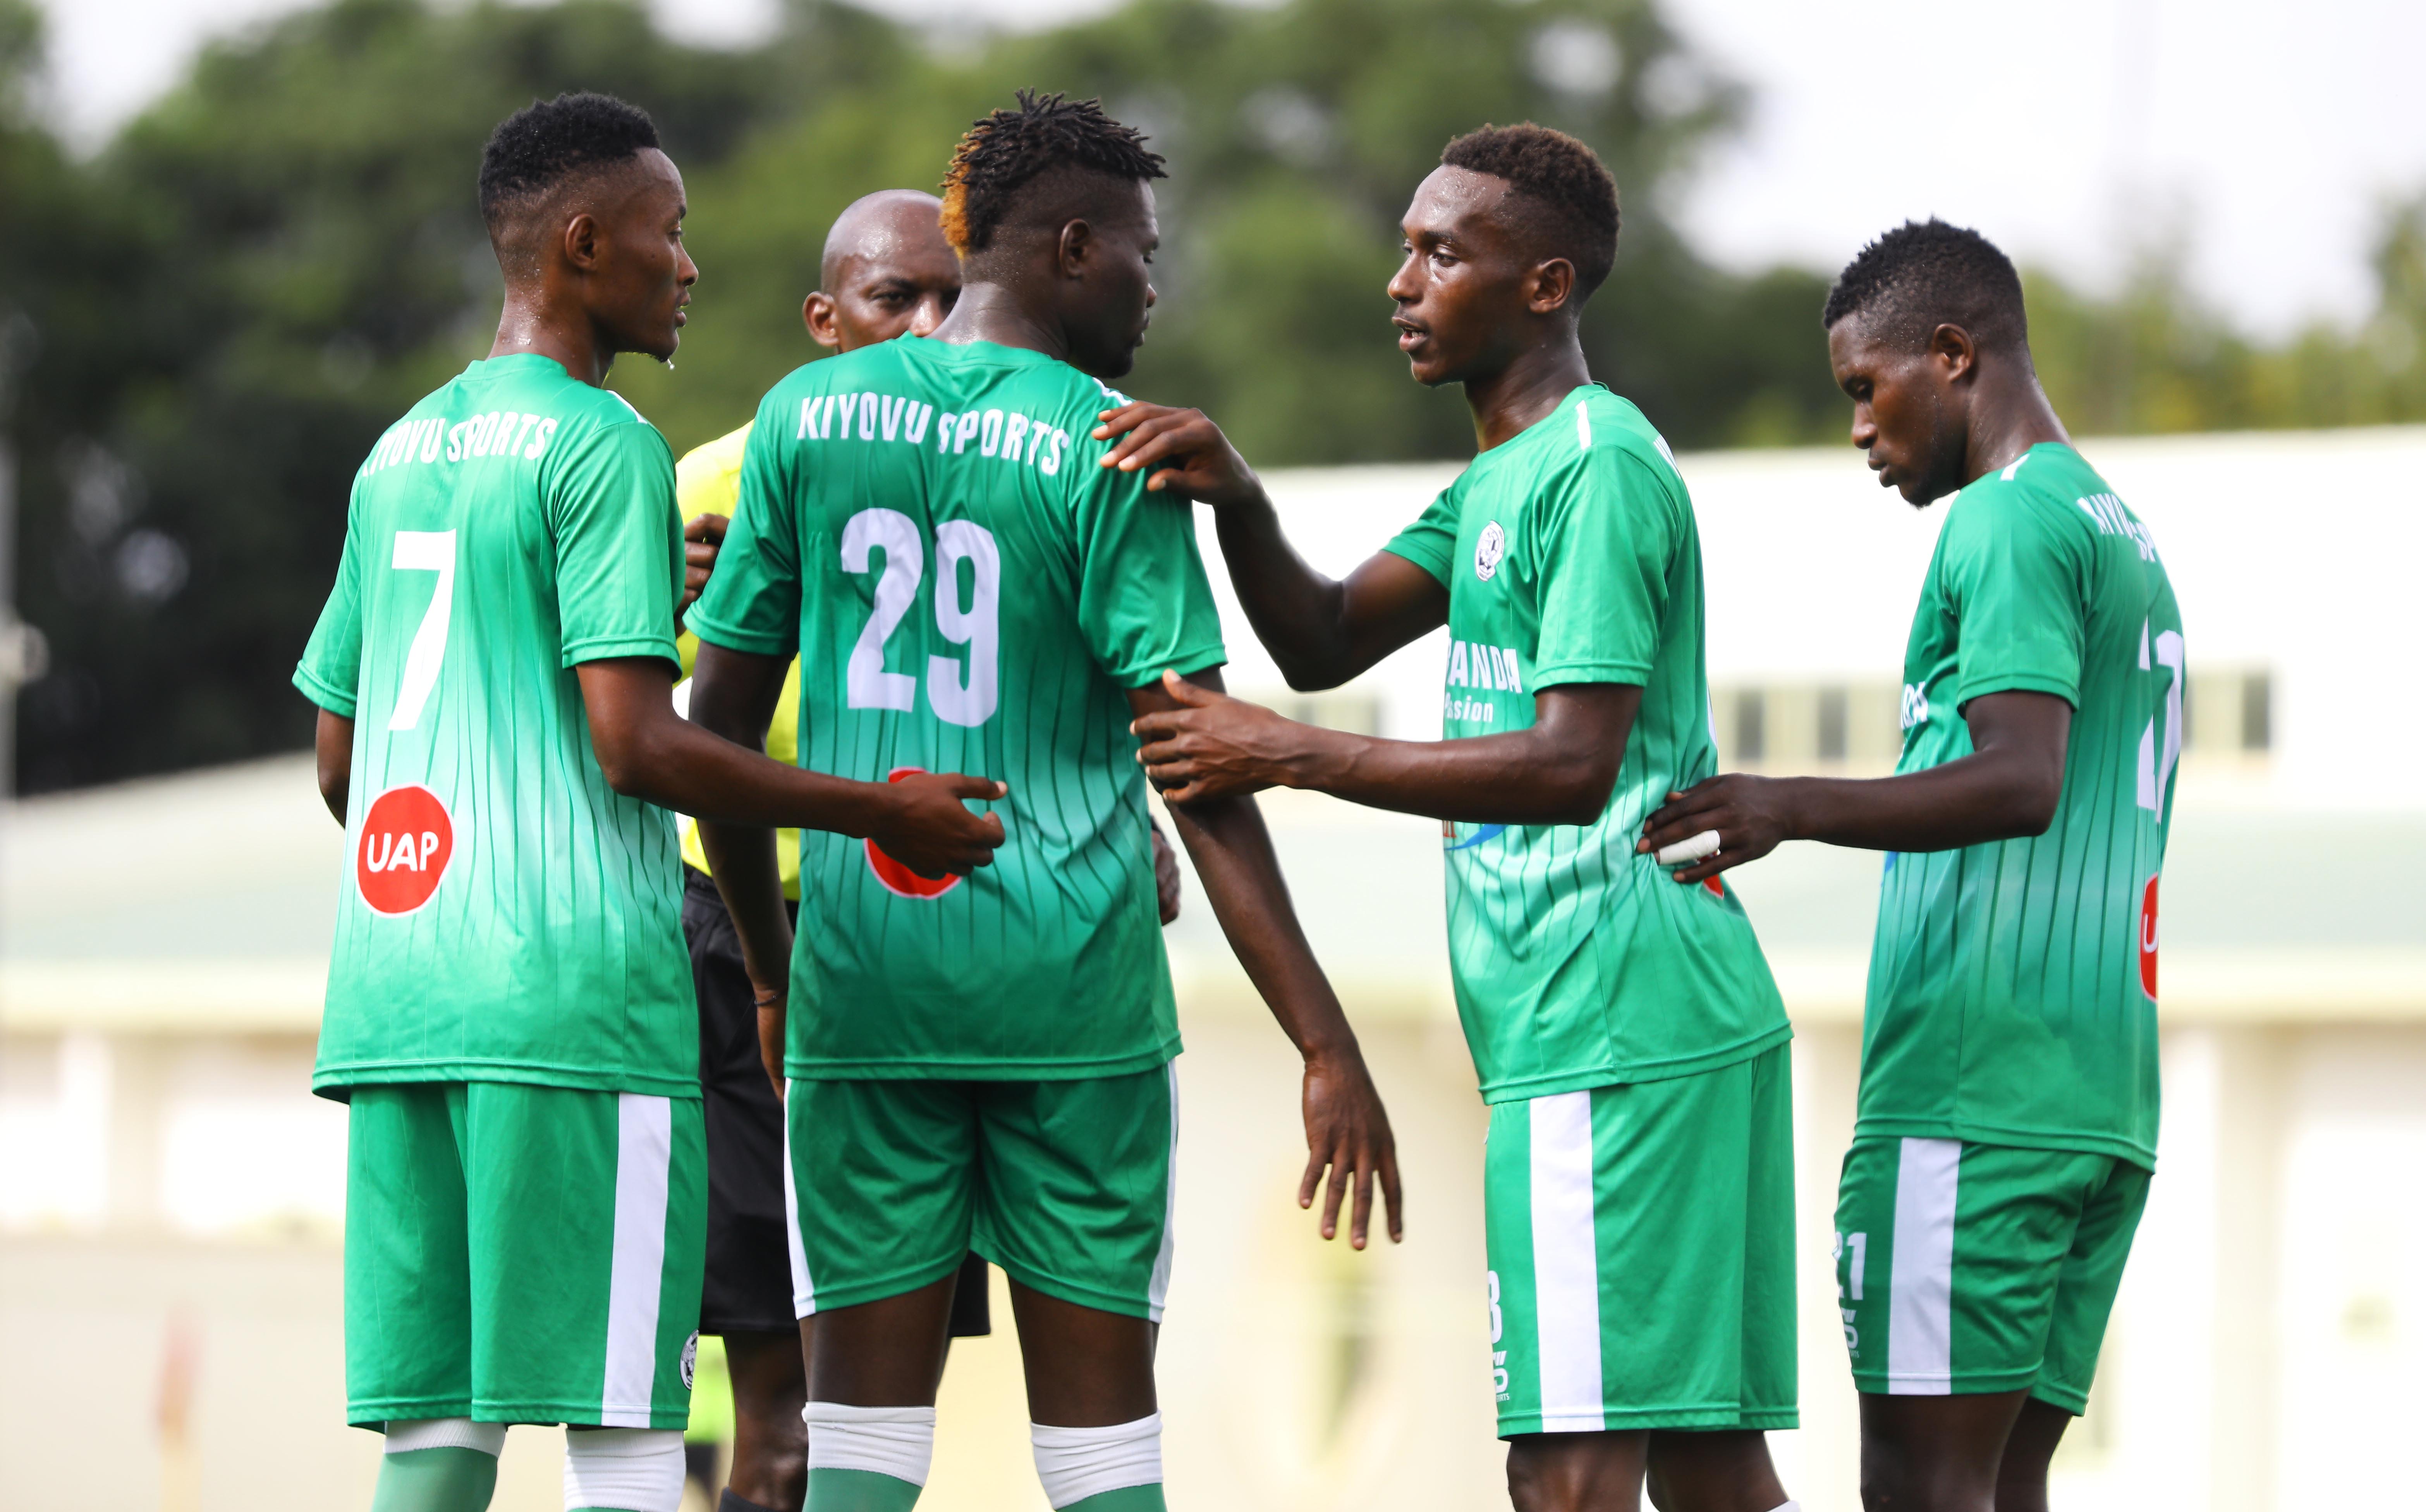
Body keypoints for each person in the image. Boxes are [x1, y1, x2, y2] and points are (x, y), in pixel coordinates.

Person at [685, 91, 1402, 1512]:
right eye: (1142, 253)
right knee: (1100, 1454)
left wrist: (773, 975)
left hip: (868, 993)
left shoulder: (802, 419)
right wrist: (1324, 1043)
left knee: (860, 1450)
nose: (1153, 286)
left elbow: (717, 738)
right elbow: (1200, 771)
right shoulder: (1120, 445)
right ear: (1074, 249)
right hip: (1076, 1004)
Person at [292, 92, 1004, 1512]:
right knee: (622, 1424)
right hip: (574, 1002)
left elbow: (336, 760)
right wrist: (881, 812)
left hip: (394, 991)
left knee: (438, 1431)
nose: (687, 265)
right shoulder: (607, 442)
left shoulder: (402, 450)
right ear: (582, 244)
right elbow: (638, 748)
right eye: (667, 234)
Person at [1096, 124, 1799, 1512]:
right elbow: (1325, 635)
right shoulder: (1501, 476)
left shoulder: (1596, 467)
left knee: (1564, 1475)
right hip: (1620, 1026)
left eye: (1441, 254)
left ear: (1544, 286)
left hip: (1615, 1025)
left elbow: (1571, 764)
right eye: (1407, 248)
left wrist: (1289, 757)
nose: (1402, 282)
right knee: (1711, 1474)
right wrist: (1241, 498)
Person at [1637, 220, 2184, 1512]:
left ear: (1951, 354)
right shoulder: (2118, 527)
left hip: (1974, 1095)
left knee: (1920, 1492)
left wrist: (1786, 804)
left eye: (1865, 388)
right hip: (2098, 1098)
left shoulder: (2003, 522)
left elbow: (2021, 778)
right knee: (1996, 1488)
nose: (1858, 430)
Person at [671, 187, 1187, 1512]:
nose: (926, 320)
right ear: (823, 314)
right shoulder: (729, 468)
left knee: (861, 1416)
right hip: (788, 931)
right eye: (894, 296)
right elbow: (675, 724)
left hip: (912, 936)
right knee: (788, 1411)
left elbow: (1051, 678)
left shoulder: (976, 436)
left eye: (944, 292)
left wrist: (1123, 809)